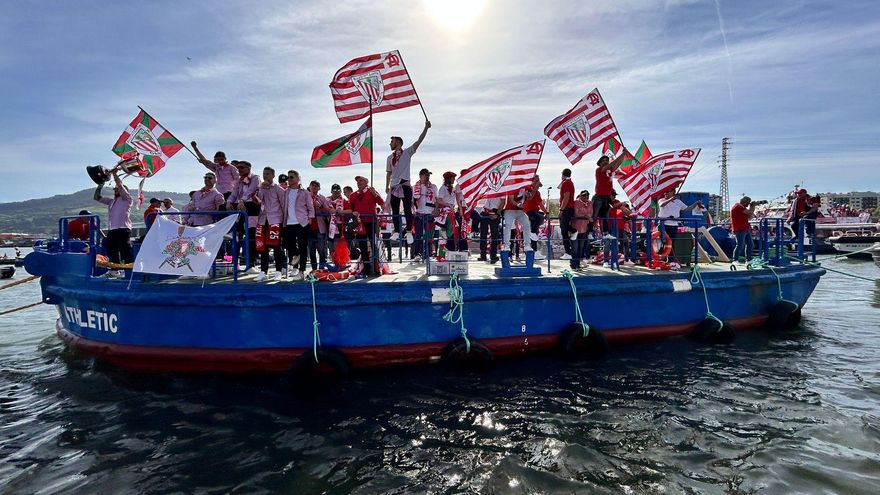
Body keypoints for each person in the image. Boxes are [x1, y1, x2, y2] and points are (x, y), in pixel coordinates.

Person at [385, 120, 431, 240]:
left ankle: (409, 231)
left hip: (405, 184)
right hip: (394, 186)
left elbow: (419, 141)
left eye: (392, 141)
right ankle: (396, 231)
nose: (390, 143)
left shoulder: (407, 153)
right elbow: (388, 173)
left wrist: (426, 128)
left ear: (398, 142)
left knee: (407, 209)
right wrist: (386, 186)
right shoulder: (390, 157)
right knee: (395, 209)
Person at [93, 171, 133, 277]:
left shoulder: (127, 199)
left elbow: (120, 185)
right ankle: (114, 271)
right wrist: (100, 185)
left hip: (123, 229)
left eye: (117, 189)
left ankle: (131, 272)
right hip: (112, 230)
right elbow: (96, 197)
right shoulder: (111, 202)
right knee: (111, 250)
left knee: (125, 250)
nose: (116, 190)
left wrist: (115, 174)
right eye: (114, 189)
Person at [227, 161, 261, 270]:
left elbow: (251, 191)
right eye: (238, 168)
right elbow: (234, 193)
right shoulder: (239, 181)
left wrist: (241, 200)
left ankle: (251, 263)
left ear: (249, 168)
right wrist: (229, 202)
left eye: (241, 167)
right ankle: (234, 263)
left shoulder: (255, 178)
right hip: (242, 207)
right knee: (238, 237)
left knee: (251, 236)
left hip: (253, 208)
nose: (239, 170)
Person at [281, 171, 314, 279]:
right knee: (287, 244)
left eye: (291, 177)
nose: (289, 179)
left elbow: (310, 207)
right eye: (288, 178)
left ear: (297, 178)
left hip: (302, 223)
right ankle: (296, 254)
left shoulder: (305, 192)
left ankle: (301, 271)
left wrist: (310, 219)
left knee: (303, 247)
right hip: (288, 222)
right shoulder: (285, 192)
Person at [349, 176, 385, 275]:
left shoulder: (372, 191)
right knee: (362, 246)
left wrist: (375, 194)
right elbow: (350, 209)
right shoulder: (353, 195)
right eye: (357, 181)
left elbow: (382, 203)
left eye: (361, 180)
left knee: (374, 246)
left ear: (366, 182)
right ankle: (366, 268)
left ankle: (377, 268)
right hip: (359, 224)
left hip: (371, 222)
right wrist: (354, 213)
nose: (358, 182)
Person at [593, 153, 627, 235]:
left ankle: (606, 233)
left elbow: (617, 164)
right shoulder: (599, 170)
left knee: (605, 217)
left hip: (607, 197)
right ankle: (590, 232)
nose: (605, 162)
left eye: (606, 160)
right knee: (594, 216)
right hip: (599, 196)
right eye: (603, 161)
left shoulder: (609, 170)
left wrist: (623, 155)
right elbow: (613, 163)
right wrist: (619, 156)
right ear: (600, 163)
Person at [412, 168, 438, 261]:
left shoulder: (433, 186)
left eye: (428, 175)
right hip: (419, 214)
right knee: (418, 235)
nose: (428, 177)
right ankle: (417, 254)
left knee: (429, 235)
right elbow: (412, 201)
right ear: (421, 176)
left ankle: (428, 254)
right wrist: (413, 211)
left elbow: (437, 200)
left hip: (430, 214)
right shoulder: (415, 187)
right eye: (426, 175)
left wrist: (436, 210)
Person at [437, 171, 467, 252]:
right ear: (448, 179)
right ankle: (449, 248)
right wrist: (448, 205)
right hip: (446, 212)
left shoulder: (452, 188)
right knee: (451, 229)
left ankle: (450, 248)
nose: (454, 179)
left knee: (455, 229)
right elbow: (439, 200)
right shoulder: (443, 188)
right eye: (453, 178)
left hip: (451, 211)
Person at [307, 180, 333, 271]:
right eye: (312, 186)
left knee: (321, 250)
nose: (314, 187)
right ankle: (314, 270)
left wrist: (320, 207)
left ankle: (321, 268)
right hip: (308, 227)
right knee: (311, 250)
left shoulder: (322, 198)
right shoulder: (305, 197)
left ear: (319, 188)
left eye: (316, 186)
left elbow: (329, 211)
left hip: (320, 227)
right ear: (309, 187)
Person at [501, 186, 532, 255]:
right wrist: (518, 204)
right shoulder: (514, 185)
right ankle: (506, 245)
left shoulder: (526, 187)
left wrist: (529, 195)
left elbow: (530, 197)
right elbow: (510, 199)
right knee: (508, 225)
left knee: (527, 224)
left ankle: (527, 245)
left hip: (519, 211)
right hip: (509, 210)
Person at [523, 175, 548, 255]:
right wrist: (536, 187)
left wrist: (546, 212)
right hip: (528, 212)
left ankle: (535, 250)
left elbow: (540, 204)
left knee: (538, 221)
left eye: (538, 180)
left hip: (535, 212)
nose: (538, 182)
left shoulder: (538, 193)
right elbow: (530, 197)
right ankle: (532, 250)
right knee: (536, 220)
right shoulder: (528, 189)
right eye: (536, 181)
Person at [570, 190, 594, 269]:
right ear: (580, 195)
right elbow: (576, 214)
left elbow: (591, 213)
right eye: (584, 195)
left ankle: (578, 264)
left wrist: (586, 215)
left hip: (584, 229)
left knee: (581, 248)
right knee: (575, 248)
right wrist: (587, 216)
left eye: (587, 195)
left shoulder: (590, 203)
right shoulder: (576, 202)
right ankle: (574, 264)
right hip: (575, 229)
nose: (586, 197)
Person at [731, 196, 757, 261]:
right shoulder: (738, 206)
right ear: (744, 201)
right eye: (748, 203)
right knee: (740, 245)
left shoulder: (742, 208)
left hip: (745, 228)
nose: (748, 204)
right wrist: (753, 206)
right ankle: (735, 259)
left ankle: (748, 258)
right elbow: (749, 212)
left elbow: (750, 216)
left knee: (750, 244)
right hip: (739, 229)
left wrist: (752, 209)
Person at [558, 169, 576, 259]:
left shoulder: (567, 183)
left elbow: (566, 197)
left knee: (564, 226)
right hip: (567, 208)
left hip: (567, 209)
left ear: (563, 175)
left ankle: (574, 231)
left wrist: (561, 210)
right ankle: (568, 252)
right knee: (563, 230)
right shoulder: (568, 182)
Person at [479, 197, 502, 263]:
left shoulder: (502, 188)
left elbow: (503, 202)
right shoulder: (488, 187)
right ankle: (483, 255)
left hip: (495, 212)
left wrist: (497, 214)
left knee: (495, 235)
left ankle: (493, 255)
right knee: (483, 235)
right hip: (485, 212)